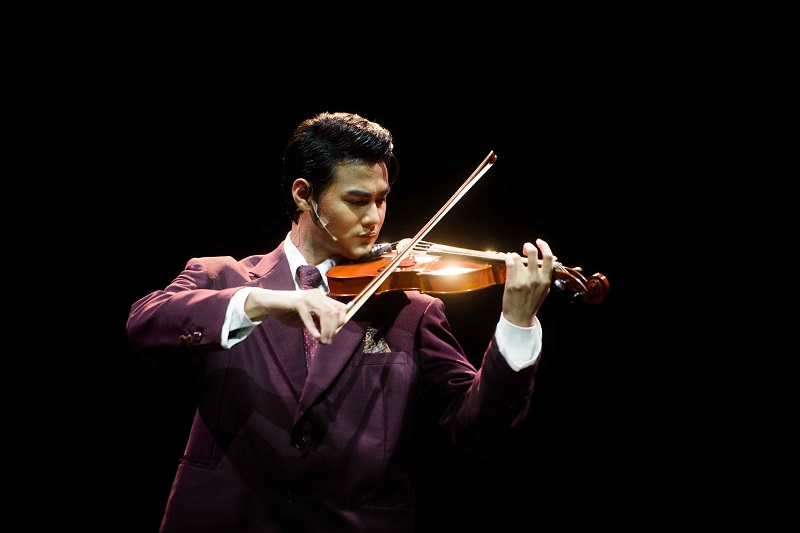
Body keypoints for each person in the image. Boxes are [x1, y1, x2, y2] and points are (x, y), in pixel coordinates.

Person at [126, 111, 557, 532]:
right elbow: (145, 324)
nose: (374, 219)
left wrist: (517, 323)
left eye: (381, 199)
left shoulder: (411, 309)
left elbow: (479, 429)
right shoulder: (224, 277)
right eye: (356, 201)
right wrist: (260, 302)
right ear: (303, 194)